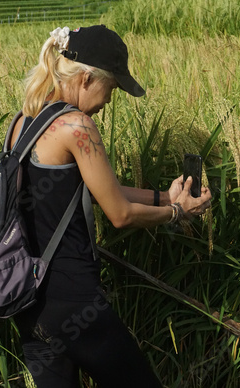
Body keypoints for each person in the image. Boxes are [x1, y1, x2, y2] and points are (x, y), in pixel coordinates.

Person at [11, 25, 212, 388]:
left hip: (28, 302)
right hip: (73, 301)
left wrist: (169, 197)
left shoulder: (23, 121)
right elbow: (119, 214)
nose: (109, 101)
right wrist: (179, 214)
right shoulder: (78, 126)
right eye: (112, 88)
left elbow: (106, 190)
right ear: (87, 79)